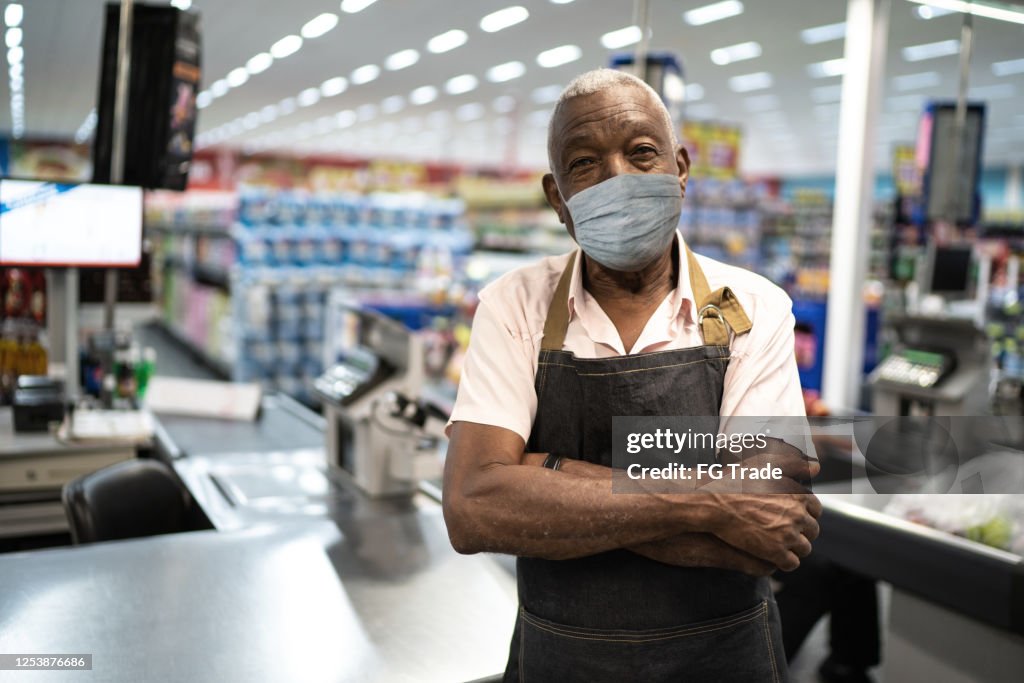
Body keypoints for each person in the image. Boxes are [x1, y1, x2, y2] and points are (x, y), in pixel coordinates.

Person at [442, 68, 821, 682]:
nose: (617, 177)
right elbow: (474, 508)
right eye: (585, 163)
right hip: (564, 659)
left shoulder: (752, 305)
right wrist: (709, 501)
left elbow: (769, 525)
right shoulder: (514, 306)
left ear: (680, 169)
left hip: (724, 659)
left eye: (642, 152)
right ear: (557, 197)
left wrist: (549, 474)